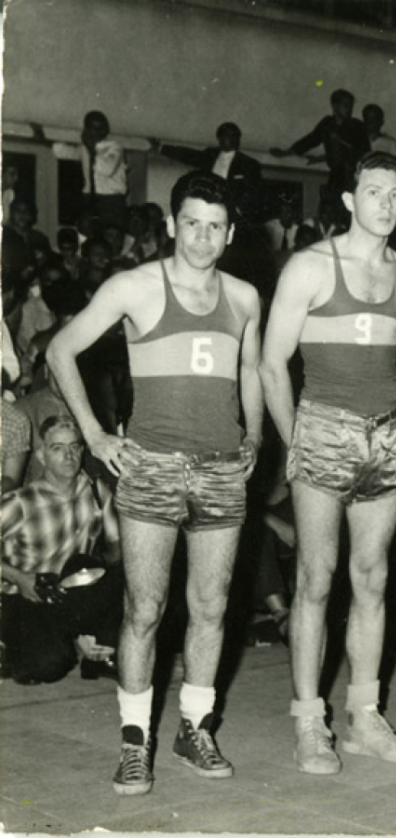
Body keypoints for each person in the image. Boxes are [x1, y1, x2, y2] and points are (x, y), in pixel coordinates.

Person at [47, 170, 264, 796]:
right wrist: (93, 435)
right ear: (171, 224)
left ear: (230, 234)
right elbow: (62, 349)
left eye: (215, 226)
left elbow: (249, 367)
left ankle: (195, 727)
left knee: (211, 606)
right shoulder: (134, 286)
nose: (202, 237)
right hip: (151, 466)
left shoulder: (245, 296)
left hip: (223, 467)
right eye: (191, 223)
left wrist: (252, 435)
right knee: (143, 608)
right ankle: (135, 743)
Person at [259, 151, 396, 775]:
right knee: (315, 577)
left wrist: (374, 422)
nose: (386, 203)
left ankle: (363, 715)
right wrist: (297, 439)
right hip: (321, 431)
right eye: (374, 191)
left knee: (374, 577)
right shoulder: (310, 267)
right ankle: (309, 720)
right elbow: (272, 364)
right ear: (350, 201)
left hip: (384, 436)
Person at [1, 417, 123, 684]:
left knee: (111, 569)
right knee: (47, 666)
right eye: (57, 448)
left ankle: (98, 650)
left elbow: (117, 551)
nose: (68, 456)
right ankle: (15, 647)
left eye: (74, 447)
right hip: (30, 594)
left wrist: (106, 616)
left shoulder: (95, 491)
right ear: (42, 456)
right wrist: (19, 578)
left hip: (74, 590)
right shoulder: (21, 503)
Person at [271, 89, 369, 197]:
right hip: (336, 175)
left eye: (351, 106)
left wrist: (339, 141)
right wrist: (287, 152)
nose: (349, 109)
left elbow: (363, 152)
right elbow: (311, 140)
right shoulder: (328, 124)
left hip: (352, 175)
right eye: (345, 105)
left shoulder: (357, 126)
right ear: (335, 106)